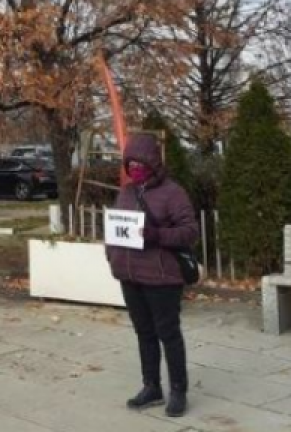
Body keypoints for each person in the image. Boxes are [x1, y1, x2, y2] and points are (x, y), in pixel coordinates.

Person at [106, 133, 199, 418]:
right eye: (129, 163)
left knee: (168, 333)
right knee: (143, 332)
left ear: (153, 163)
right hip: (130, 275)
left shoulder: (173, 193)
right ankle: (151, 386)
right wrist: (111, 255)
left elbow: (190, 231)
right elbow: (115, 229)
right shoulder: (126, 192)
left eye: (139, 162)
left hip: (161, 277)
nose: (134, 168)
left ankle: (179, 389)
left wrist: (156, 235)